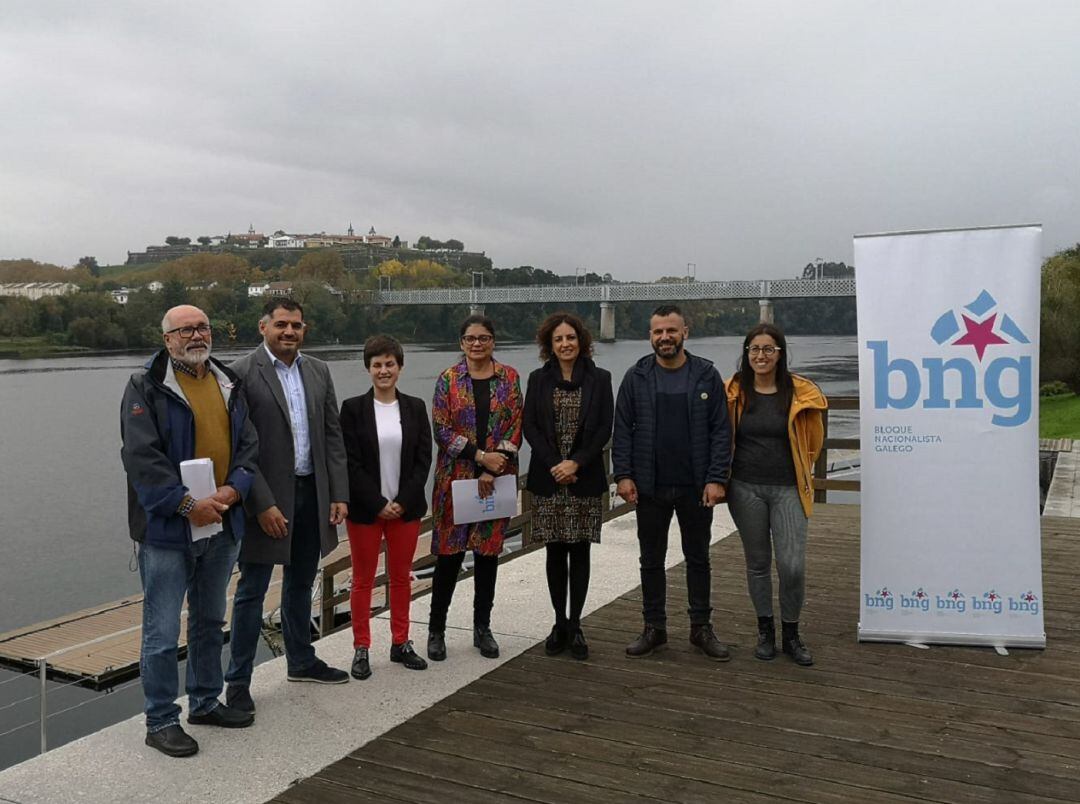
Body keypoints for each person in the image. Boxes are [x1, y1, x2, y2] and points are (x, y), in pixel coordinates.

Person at [120, 304, 259, 758]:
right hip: (167, 530)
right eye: (185, 330)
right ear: (167, 339)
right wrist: (186, 505)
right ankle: (161, 720)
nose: (196, 336)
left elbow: (249, 449)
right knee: (161, 631)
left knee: (209, 620)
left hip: (221, 521)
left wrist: (234, 492)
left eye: (202, 327)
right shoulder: (145, 387)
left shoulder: (228, 382)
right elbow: (143, 459)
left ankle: (203, 702)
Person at [225, 299, 351, 715]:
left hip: (311, 492)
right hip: (266, 500)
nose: (289, 332)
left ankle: (300, 660)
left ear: (304, 328)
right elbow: (238, 447)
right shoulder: (242, 374)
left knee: (300, 583)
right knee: (252, 592)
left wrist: (338, 492)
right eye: (281, 324)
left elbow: (332, 435)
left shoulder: (317, 370)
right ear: (263, 327)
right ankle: (238, 682)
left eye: (296, 325)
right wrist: (261, 503)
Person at [613, 304, 733, 661]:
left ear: (685, 333)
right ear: (650, 336)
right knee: (651, 559)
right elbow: (623, 431)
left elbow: (720, 432)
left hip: (695, 486)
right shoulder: (636, 376)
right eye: (658, 332)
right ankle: (654, 628)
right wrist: (623, 474)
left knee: (698, 558)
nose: (665, 337)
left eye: (671, 331)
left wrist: (715, 479)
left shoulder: (706, 375)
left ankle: (701, 628)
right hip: (650, 486)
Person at [725, 323, 827, 666]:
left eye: (769, 349)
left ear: (780, 354)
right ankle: (765, 630)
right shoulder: (734, 390)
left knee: (792, 565)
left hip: (788, 488)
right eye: (754, 349)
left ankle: (792, 633)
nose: (761, 356)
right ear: (746, 354)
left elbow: (813, 439)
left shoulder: (799, 392)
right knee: (757, 564)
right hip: (745, 487)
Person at [427, 315, 523, 661]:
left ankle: (482, 628)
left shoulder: (509, 378)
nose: (477, 344)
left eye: (484, 338)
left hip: (496, 479)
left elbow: (515, 426)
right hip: (454, 480)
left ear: (493, 341)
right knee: (449, 557)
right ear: (461, 343)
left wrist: (493, 465)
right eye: (470, 338)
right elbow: (441, 429)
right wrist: (481, 457)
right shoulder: (448, 380)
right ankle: (436, 629)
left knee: (487, 556)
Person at [340, 335, 433, 679]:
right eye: (377, 365)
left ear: (400, 367)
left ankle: (401, 642)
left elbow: (424, 459)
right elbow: (349, 462)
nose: (383, 370)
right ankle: (361, 647)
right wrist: (378, 503)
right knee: (363, 580)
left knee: (400, 579)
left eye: (389, 364)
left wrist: (402, 501)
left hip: (405, 510)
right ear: (368, 369)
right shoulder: (352, 409)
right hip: (366, 511)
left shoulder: (414, 407)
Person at [523, 313, 613, 661]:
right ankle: (558, 622)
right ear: (550, 345)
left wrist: (576, 463)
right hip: (549, 479)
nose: (565, 344)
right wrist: (554, 465)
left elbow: (605, 426)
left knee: (581, 551)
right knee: (555, 551)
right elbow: (530, 426)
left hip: (583, 477)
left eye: (571, 338)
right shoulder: (537, 379)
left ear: (581, 341)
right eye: (558, 339)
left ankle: (576, 624)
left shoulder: (600, 379)